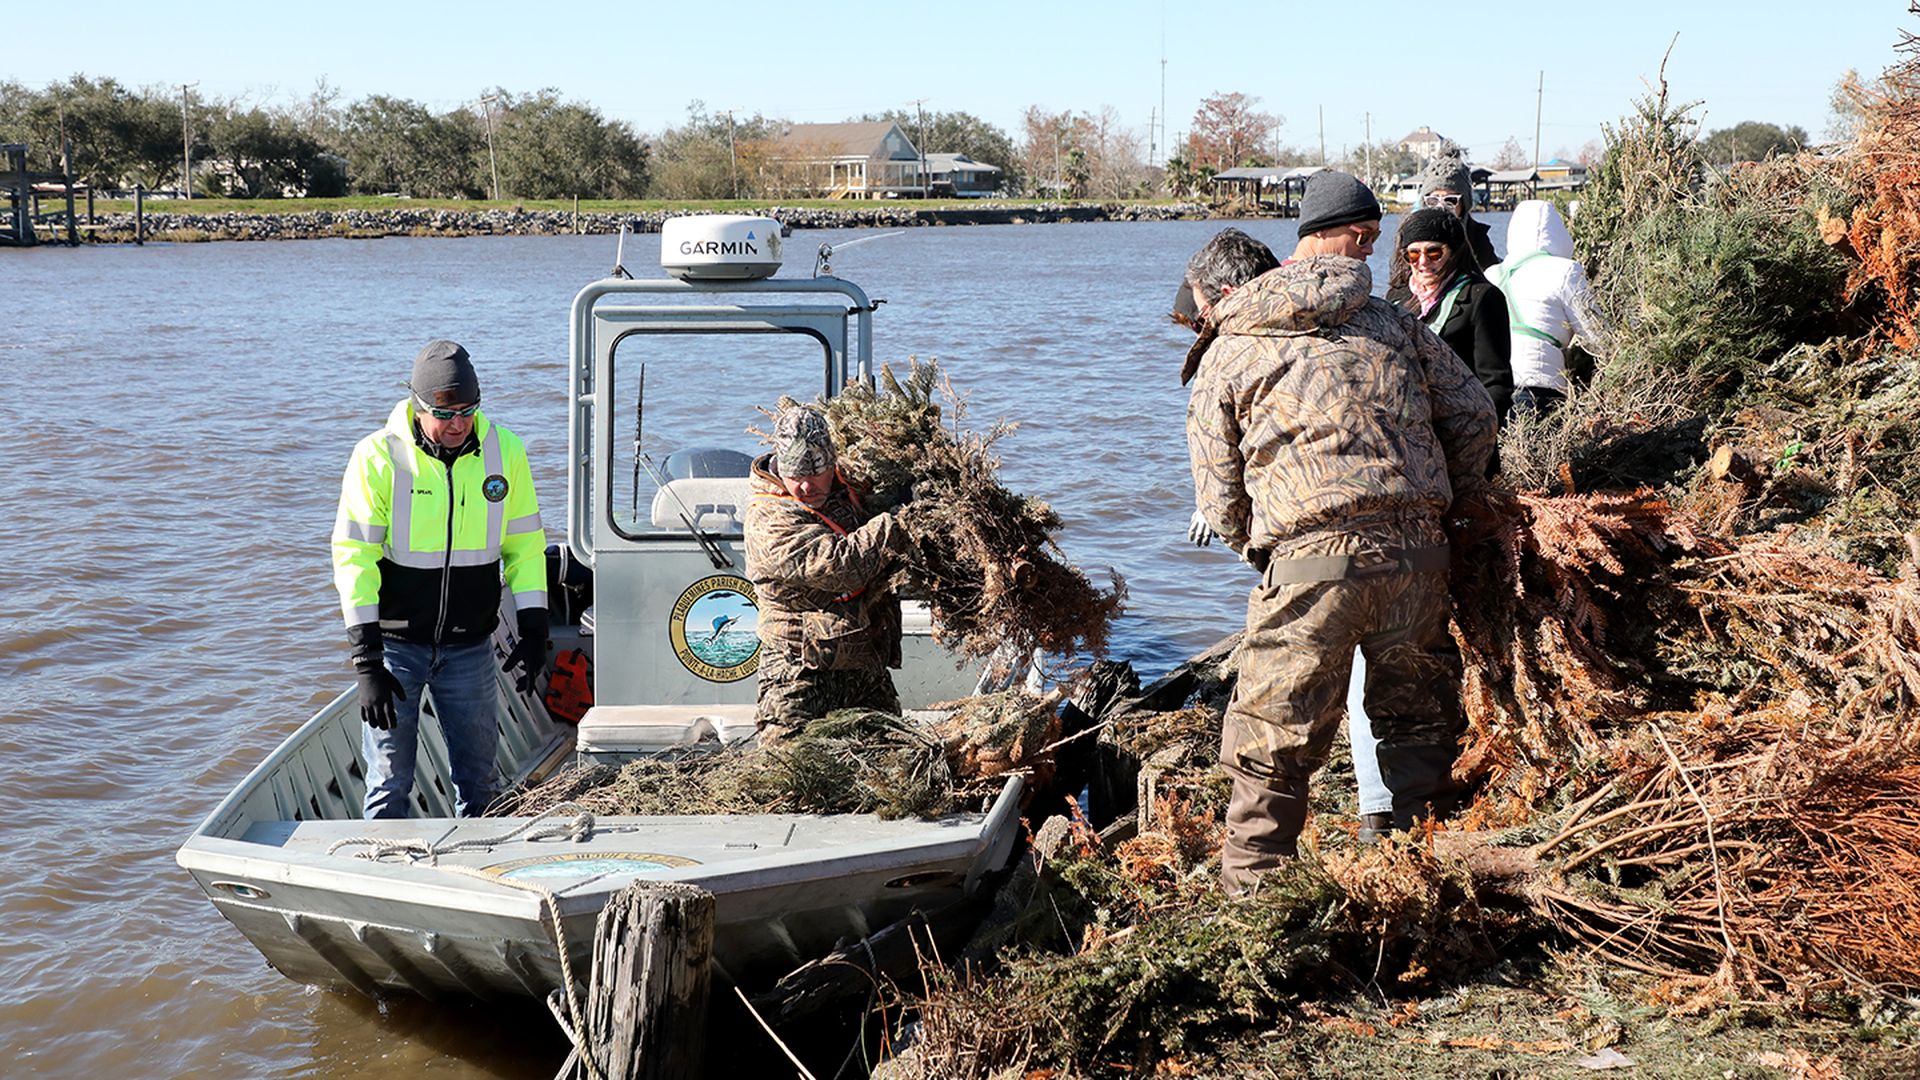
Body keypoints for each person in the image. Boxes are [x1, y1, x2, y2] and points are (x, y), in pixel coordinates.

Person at [1186, 169, 1498, 894]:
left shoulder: (1229, 346)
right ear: (1359, 236)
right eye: (1374, 235)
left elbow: (1219, 490)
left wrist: (1264, 549)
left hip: (1309, 560)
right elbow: (1475, 414)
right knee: (1420, 729)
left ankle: (1254, 921)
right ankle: (1431, 886)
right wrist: (1440, 500)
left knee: (1271, 746)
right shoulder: (1392, 323)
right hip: (1420, 557)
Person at [332, 340, 548, 819]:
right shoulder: (377, 457)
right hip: (396, 651)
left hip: (471, 649)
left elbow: (525, 546)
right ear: (416, 403)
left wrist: (534, 628)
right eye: (444, 413)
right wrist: (366, 661)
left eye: (469, 411)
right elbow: (354, 558)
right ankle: (385, 884)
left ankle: (483, 879)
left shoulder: (504, 450)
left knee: (482, 785)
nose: (458, 424)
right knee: (389, 784)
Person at [746, 403, 911, 741]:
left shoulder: (843, 486)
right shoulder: (768, 520)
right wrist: (897, 523)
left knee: (893, 768)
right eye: (796, 478)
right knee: (792, 778)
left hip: (864, 668)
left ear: (832, 462)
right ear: (779, 468)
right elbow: (839, 565)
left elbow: (876, 496)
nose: (806, 488)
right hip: (799, 674)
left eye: (815, 475)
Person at [1390, 208, 1514, 423]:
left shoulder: (1481, 297)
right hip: (1410, 432)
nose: (1422, 262)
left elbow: (1496, 384)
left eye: (1434, 253)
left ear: (1455, 252)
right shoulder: (1396, 297)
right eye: (1413, 254)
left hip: (1463, 430)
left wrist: (1473, 433)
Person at [1490, 199, 1609, 417]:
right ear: (1559, 233)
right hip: (1539, 390)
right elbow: (1598, 337)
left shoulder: (1491, 274)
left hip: (1489, 392)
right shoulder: (1566, 271)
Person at [1413, 155, 1498, 271]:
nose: (1441, 207)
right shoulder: (1413, 237)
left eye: (1450, 200)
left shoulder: (1477, 237)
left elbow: (1491, 276)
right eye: (1433, 200)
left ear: (1463, 204)